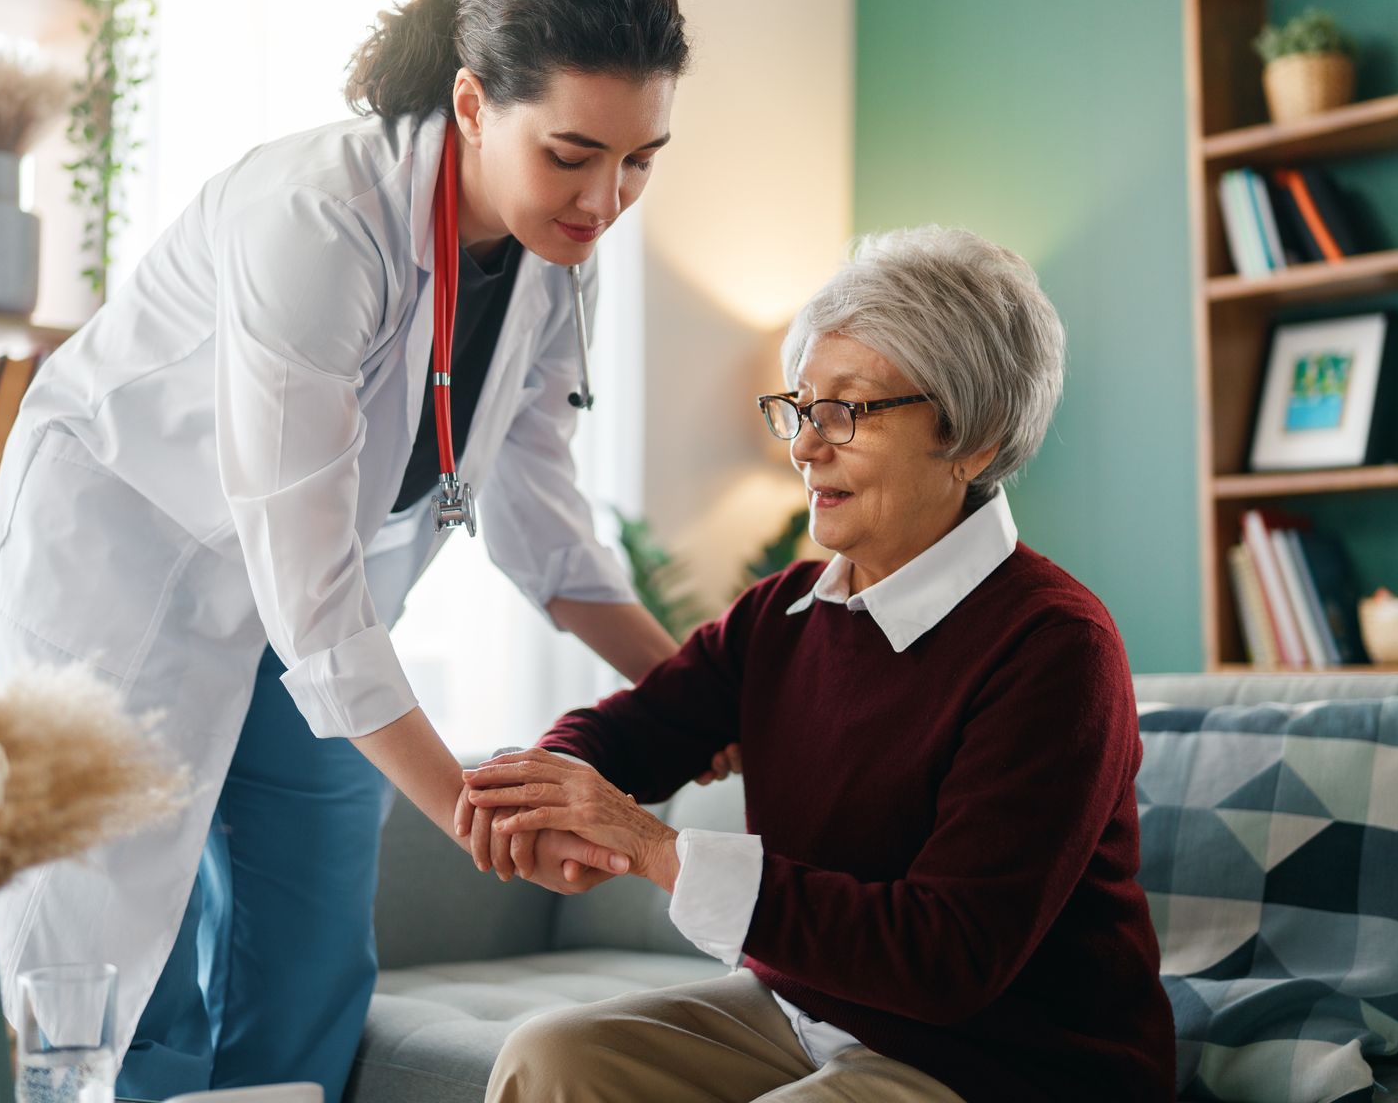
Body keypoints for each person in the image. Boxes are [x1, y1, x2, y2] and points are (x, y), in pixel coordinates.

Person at [0, 0, 707, 1100]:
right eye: (572, 153)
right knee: (117, 967)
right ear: (472, 104)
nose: (605, 198)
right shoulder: (314, 218)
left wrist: (703, 704)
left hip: (313, 622)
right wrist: (487, 823)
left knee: (310, 959)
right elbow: (309, 596)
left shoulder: (556, 249)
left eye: (639, 160)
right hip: (126, 587)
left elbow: (543, 522)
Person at [462, 226, 1177, 1102]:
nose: (804, 446)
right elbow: (636, 730)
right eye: (799, 408)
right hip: (811, 1016)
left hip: (1007, 1061)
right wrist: (548, 787)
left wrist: (656, 849)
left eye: (846, 411)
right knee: (552, 1057)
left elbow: (945, 960)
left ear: (974, 440)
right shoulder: (782, 613)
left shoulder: (1054, 648)